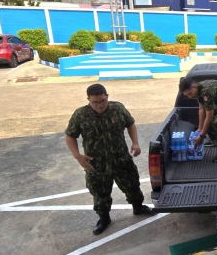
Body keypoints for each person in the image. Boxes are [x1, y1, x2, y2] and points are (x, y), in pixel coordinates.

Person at [65, 84, 153, 236]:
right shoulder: (80, 115)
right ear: (88, 100)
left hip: (121, 159)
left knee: (132, 185)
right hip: (97, 164)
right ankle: (104, 219)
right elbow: (70, 135)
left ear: (107, 96)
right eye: (95, 102)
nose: (99, 105)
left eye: (103, 101)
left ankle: (138, 207)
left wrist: (135, 142)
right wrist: (77, 156)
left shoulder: (117, 109)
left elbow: (130, 123)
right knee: (100, 194)